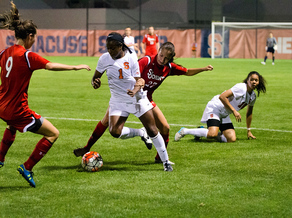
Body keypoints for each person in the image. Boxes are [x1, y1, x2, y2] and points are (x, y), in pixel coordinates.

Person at [0, 1, 91, 188]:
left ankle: (0, 158)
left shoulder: (4, 52)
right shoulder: (27, 56)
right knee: (53, 134)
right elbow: (50, 65)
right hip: (17, 110)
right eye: (34, 38)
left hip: (1, 106)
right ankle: (27, 167)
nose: (34, 41)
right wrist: (76, 66)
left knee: (12, 126)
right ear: (29, 36)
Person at [73, 42, 213, 162]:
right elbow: (133, 76)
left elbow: (187, 71)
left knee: (165, 128)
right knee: (107, 123)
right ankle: (87, 147)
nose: (162, 59)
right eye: (161, 55)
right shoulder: (146, 61)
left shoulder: (168, 68)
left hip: (145, 100)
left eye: (166, 58)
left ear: (170, 59)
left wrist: (203, 69)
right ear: (158, 51)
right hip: (125, 96)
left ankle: (160, 158)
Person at [88, 32, 173, 171]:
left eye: (112, 48)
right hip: (118, 100)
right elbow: (95, 77)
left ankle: (166, 162)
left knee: (152, 129)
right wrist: (95, 82)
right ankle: (140, 133)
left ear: (120, 46)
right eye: (107, 48)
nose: (109, 51)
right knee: (115, 131)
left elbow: (140, 80)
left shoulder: (131, 57)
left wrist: (134, 90)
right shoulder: (104, 59)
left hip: (136, 97)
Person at [175, 71, 266, 143]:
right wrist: (234, 111)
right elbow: (222, 96)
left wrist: (249, 130)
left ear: (258, 82)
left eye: (256, 80)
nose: (254, 82)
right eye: (252, 79)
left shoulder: (253, 96)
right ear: (247, 80)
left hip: (225, 113)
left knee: (231, 139)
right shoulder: (241, 88)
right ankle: (185, 131)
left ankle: (202, 132)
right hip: (216, 107)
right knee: (212, 134)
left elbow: (249, 113)